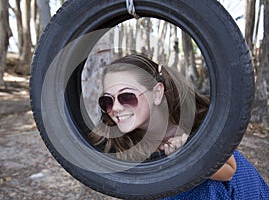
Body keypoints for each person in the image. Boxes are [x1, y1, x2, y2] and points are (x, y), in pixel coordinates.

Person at [88, 54, 269, 199]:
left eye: (127, 96)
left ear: (157, 93)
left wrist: (185, 157)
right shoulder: (120, 137)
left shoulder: (194, 122)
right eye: (107, 101)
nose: (116, 108)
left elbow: (229, 172)